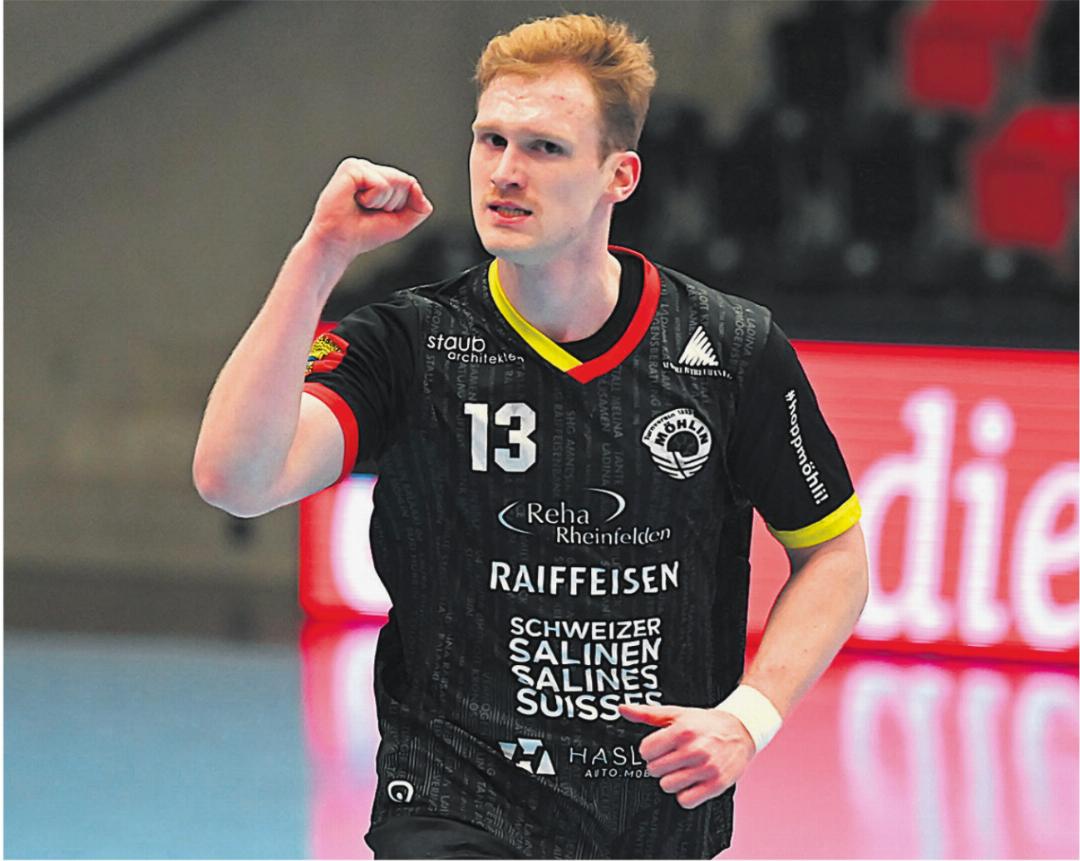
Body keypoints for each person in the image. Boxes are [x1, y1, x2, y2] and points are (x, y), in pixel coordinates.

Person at [193, 12, 868, 859]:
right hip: (452, 798)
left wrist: (748, 716)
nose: (506, 172)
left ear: (619, 175)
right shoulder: (411, 343)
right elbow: (236, 477)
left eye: (545, 148)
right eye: (491, 140)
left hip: (652, 812)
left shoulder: (729, 349)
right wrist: (321, 253)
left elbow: (836, 554)